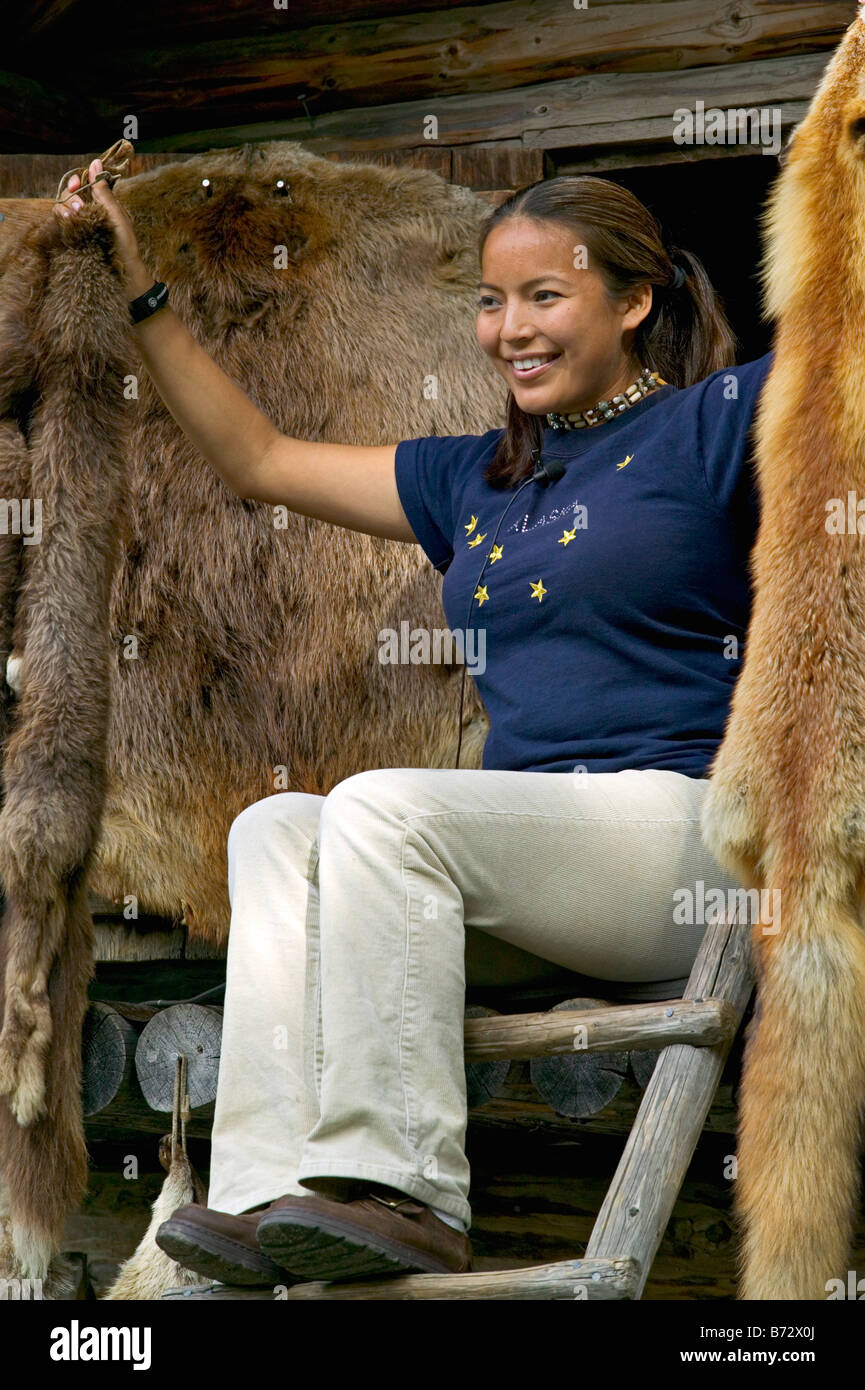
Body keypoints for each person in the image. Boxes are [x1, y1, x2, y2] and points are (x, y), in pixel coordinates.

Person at [56, 161, 768, 1287]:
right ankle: (260, 1193)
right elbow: (262, 458)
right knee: (277, 831)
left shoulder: (720, 424)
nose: (508, 329)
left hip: (687, 848)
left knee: (381, 807)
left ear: (633, 302)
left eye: (545, 296)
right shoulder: (476, 478)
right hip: (529, 871)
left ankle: (402, 1187)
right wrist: (144, 293)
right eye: (491, 300)